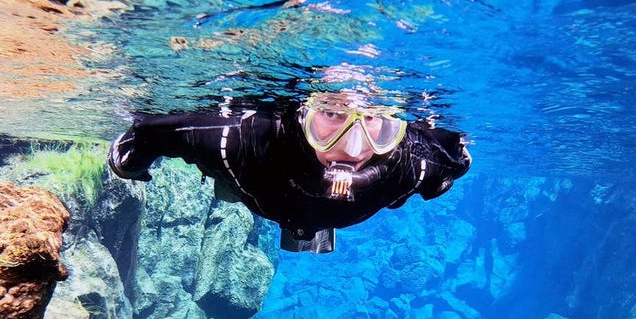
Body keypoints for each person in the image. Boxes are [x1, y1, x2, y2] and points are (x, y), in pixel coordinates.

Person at [108, 95, 471, 253]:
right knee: (226, 181)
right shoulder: (239, 143)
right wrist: (129, 165)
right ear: (301, 114)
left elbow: (454, 164)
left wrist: (129, 164)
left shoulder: (410, 166)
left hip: (266, 197)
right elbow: (149, 134)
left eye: (375, 120)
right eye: (331, 115)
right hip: (254, 184)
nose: (356, 148)